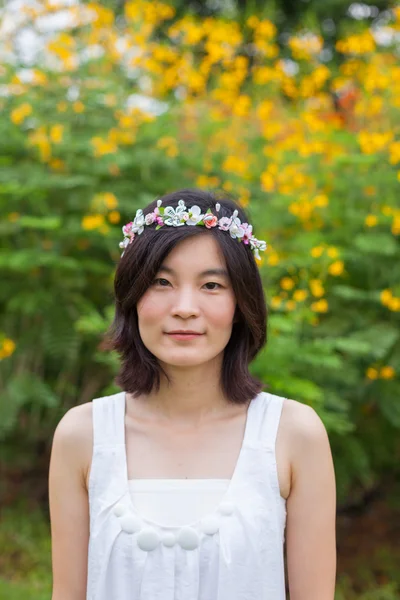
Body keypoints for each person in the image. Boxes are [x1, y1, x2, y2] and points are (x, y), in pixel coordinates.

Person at [48, 188, 337, 600]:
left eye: (212, 285)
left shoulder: (293, 435)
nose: (185, 307)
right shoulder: (84, 436)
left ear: (242, 303)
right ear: (132, 298)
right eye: (161, 282)